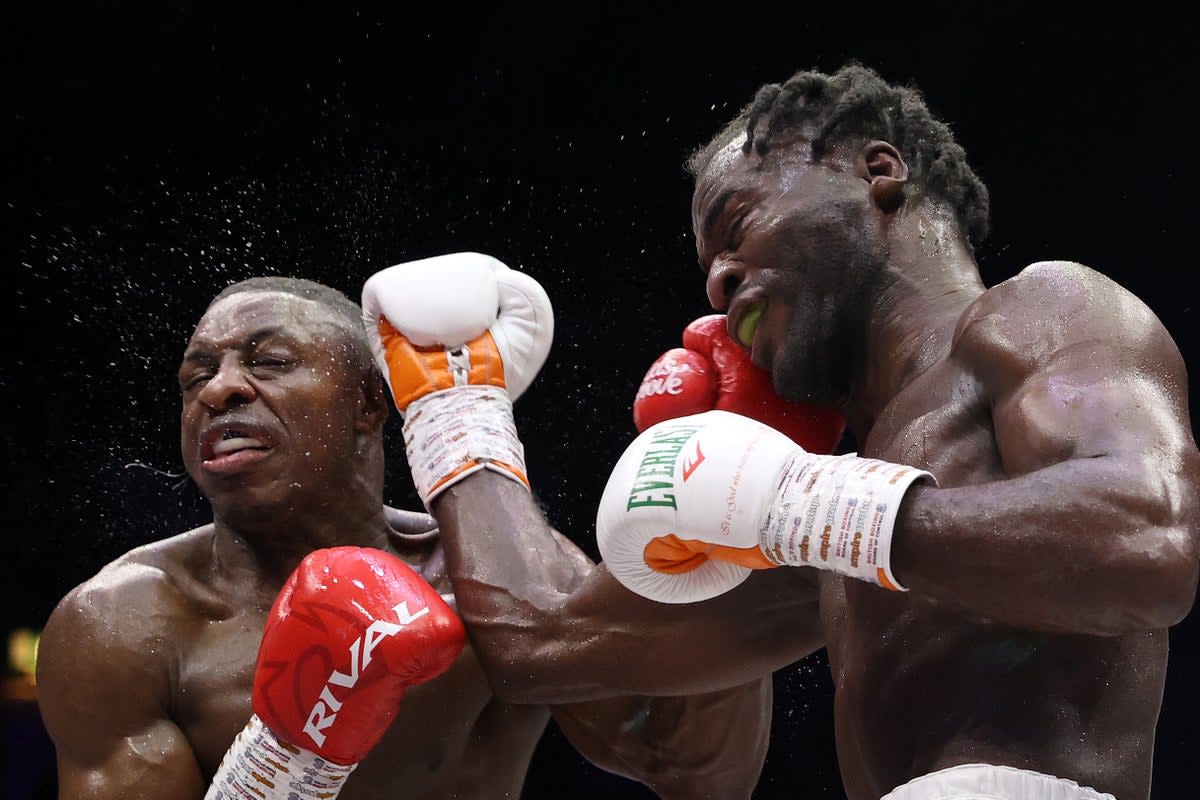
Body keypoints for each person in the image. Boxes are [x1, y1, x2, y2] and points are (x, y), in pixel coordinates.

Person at [380, 64, 1200, 800]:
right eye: (708, 264)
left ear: (877, 171)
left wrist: (799, 501)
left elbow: (1146, 542)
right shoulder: (833, 519)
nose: (717, 278)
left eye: (737, 224)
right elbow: (542, 639)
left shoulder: (1042, 311)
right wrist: (454, 404)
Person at [34, 275, 773, 800]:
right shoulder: (125, 624)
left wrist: (718, 547)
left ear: (369, 402)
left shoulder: (497, 582)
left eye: (268, 362)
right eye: (196, 376)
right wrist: (283, 765)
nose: (219, 389)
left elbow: (695, 774)